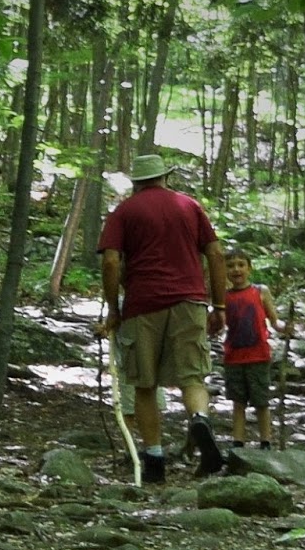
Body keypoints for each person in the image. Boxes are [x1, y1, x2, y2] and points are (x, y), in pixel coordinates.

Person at [98, 153, 227, 483]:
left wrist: (114, 309)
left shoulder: (123, 212)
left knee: (144, 383)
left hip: (143, 304)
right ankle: (199, 418)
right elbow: (215, 252)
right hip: (190, 300)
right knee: (192, 376)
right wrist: (220, 305)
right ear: (164, 177)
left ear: (137, 182)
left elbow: (111, 262)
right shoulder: (189, 205)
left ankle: (154, 458)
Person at [222, 248, 282, 450]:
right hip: (234, 357)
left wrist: (285, 327)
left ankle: (266, 441)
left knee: (261, 401)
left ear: (249, 268)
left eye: (241, 265)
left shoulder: (260, 291)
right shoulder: (223, 296)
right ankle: (238, 443)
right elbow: (215, 324)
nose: (236, 270)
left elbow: (274, 321)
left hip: (259, 356)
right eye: (230, 266)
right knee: (238, 402)